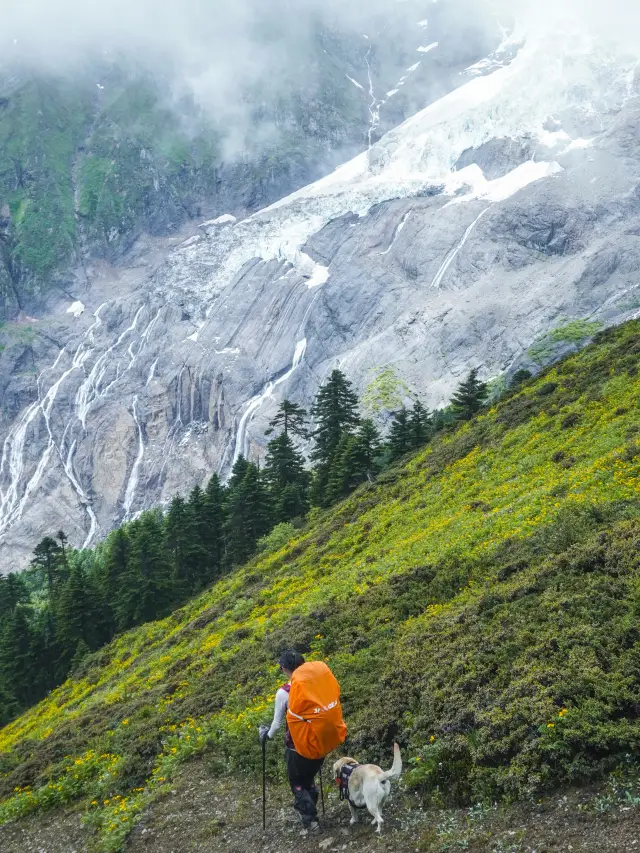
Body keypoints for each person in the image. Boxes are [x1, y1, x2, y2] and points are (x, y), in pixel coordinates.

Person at [259, 650, 323, 832]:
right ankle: (312, 812)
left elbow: (277, 723)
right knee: (309, 779)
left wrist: (266, 736)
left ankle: (310, 820)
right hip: (319, 743)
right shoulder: (316, 683)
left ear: (284, 669)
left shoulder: (284, 693)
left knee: (297, 783)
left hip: (297, 747)